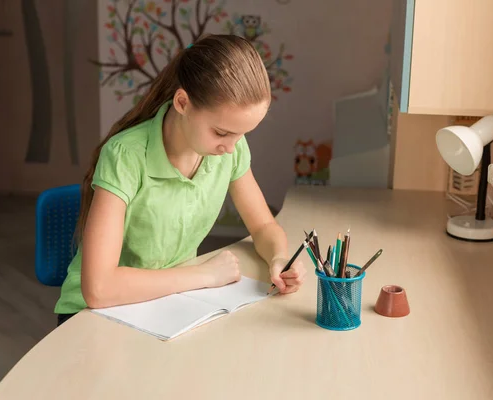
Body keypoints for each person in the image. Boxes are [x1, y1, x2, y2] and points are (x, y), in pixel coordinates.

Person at [54, 34, 306, 326]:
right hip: (92, 316)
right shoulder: (125, 155)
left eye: (243, 134)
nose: (231, 147)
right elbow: (99, 289)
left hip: (169, 303)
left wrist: (278, 259)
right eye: (222, 133)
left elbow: (263, 226)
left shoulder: (228, 151)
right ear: (183, 103)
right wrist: (205, 275)